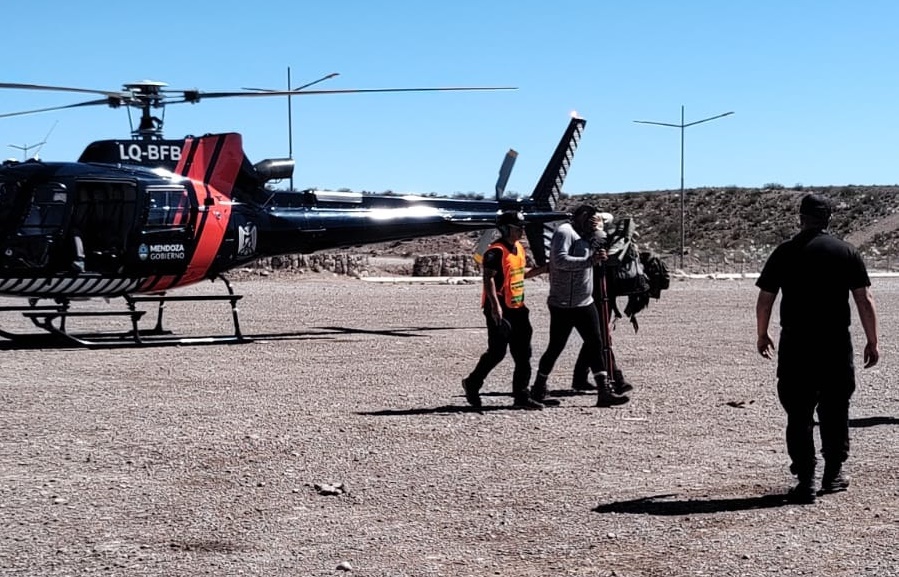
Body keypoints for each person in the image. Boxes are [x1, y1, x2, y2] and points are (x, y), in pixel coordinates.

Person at [756, 193, 879, 504]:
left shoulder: (784, 252)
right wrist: (872, 340)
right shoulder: (846, 251)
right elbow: (864, 299)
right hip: (835, 343)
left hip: (796, 343)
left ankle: (806, 479)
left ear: (801, 218)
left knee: (798, 412)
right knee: (835, 408)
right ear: (828, 219)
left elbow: (766, 299)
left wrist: (762, 333)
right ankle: (833, 473)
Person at [530, 204, 630, 408]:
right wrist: (589, 261)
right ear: (579, 216)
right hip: (563, 303)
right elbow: (559, 260)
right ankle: (538, 388)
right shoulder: (564, 232)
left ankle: (604, 391)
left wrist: (598, 237)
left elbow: (600, 249)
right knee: (556, 346)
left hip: (584, 301)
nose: (591, 221)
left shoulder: (587, 235)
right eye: (588, 218)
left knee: (596, 343)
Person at [462, 211, 544, 410]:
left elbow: (520, 274)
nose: (521, 231)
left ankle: (521, 396)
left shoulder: (519, 248)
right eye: (517, 228)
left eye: (522, 227)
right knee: (497, 352)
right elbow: (488, 277)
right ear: (506, 229)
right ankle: (472, 382)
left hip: (518, 307)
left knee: (523, 353)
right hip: (499, 308)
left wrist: (544, 269)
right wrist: (495, 306)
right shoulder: (495, 251)